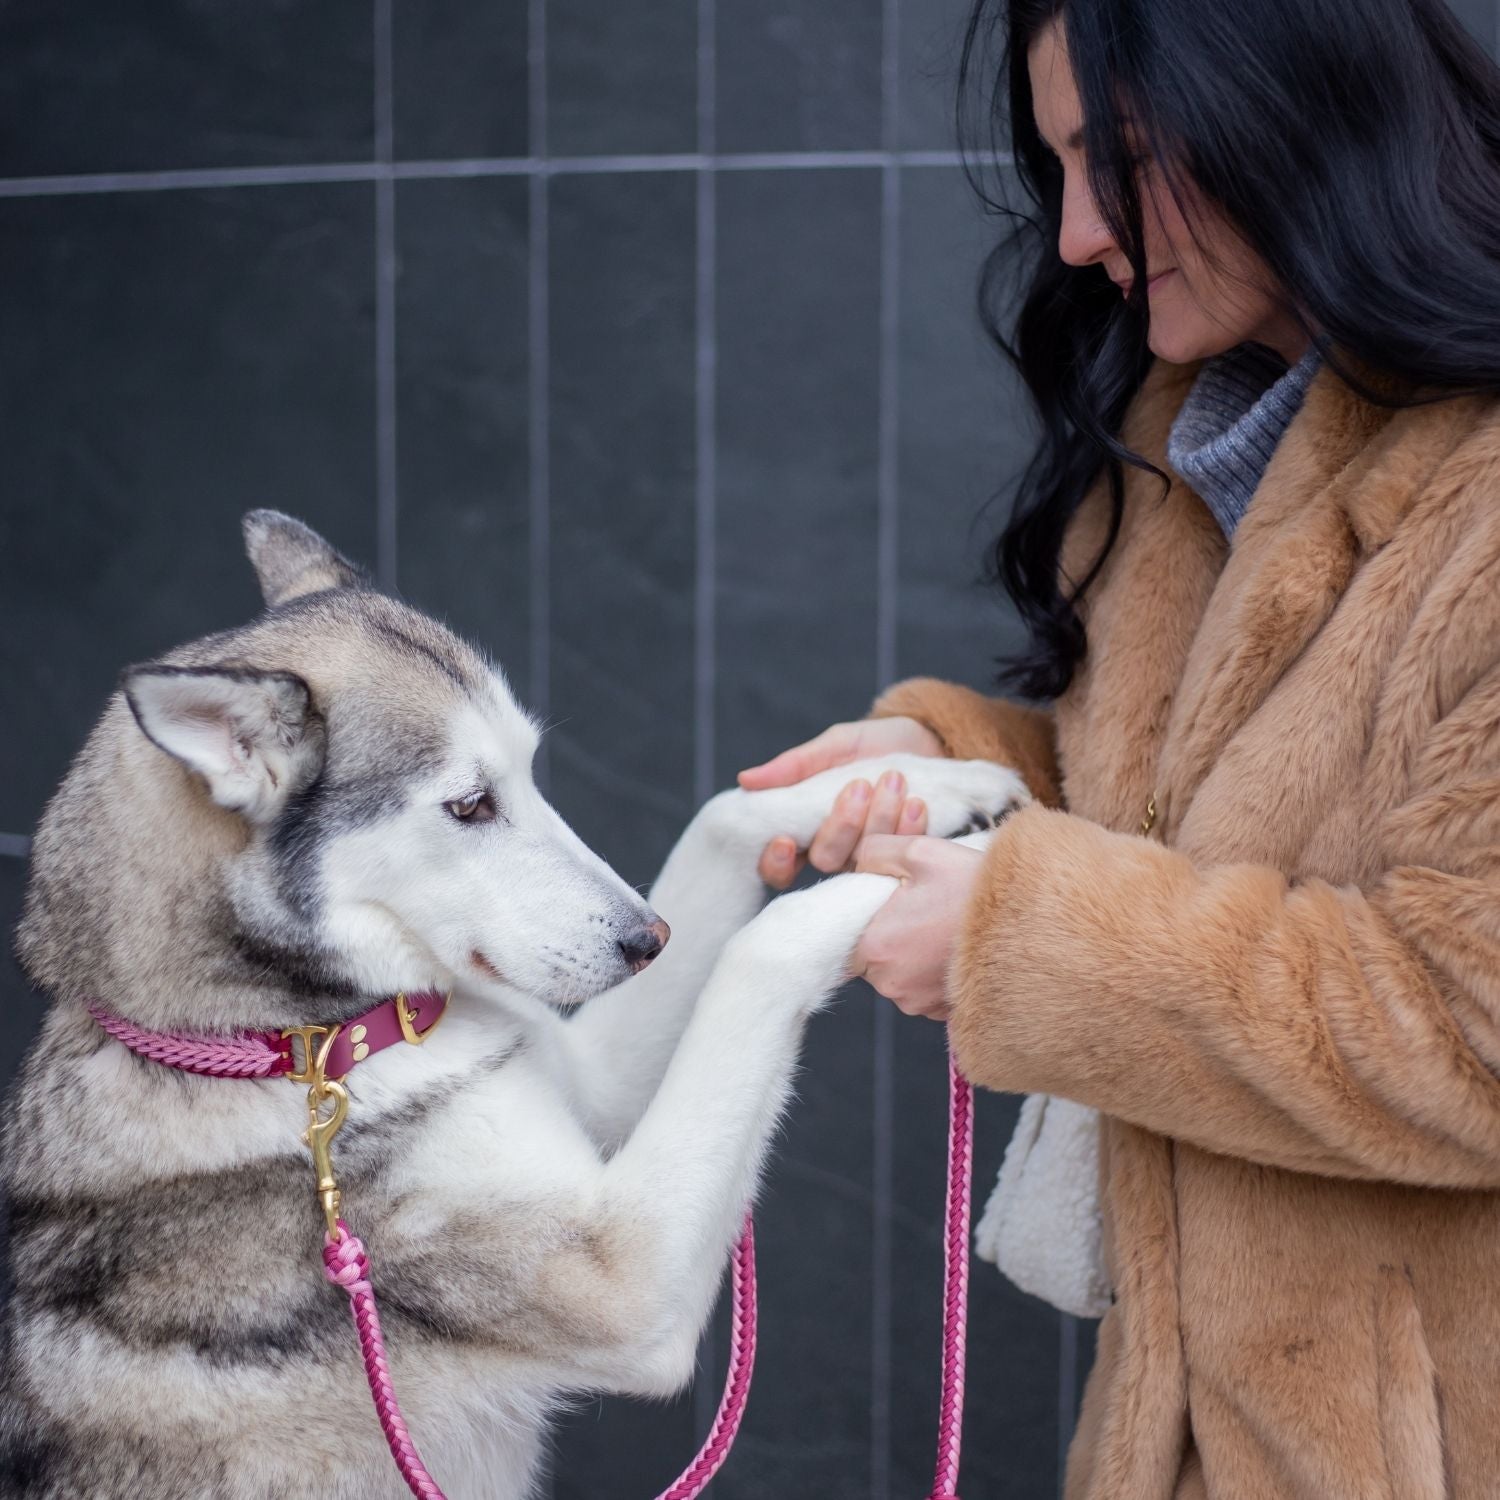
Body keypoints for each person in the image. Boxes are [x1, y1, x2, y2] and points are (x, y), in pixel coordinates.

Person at [738, 0, 1500, 1495]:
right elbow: (1218, 813)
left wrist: (1018, 937)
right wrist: (956, 770)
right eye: (1063, 170)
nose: (1082, 234)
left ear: (1299, 113)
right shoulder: (1190, 440)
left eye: (1125, 161)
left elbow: (1472, 1025)